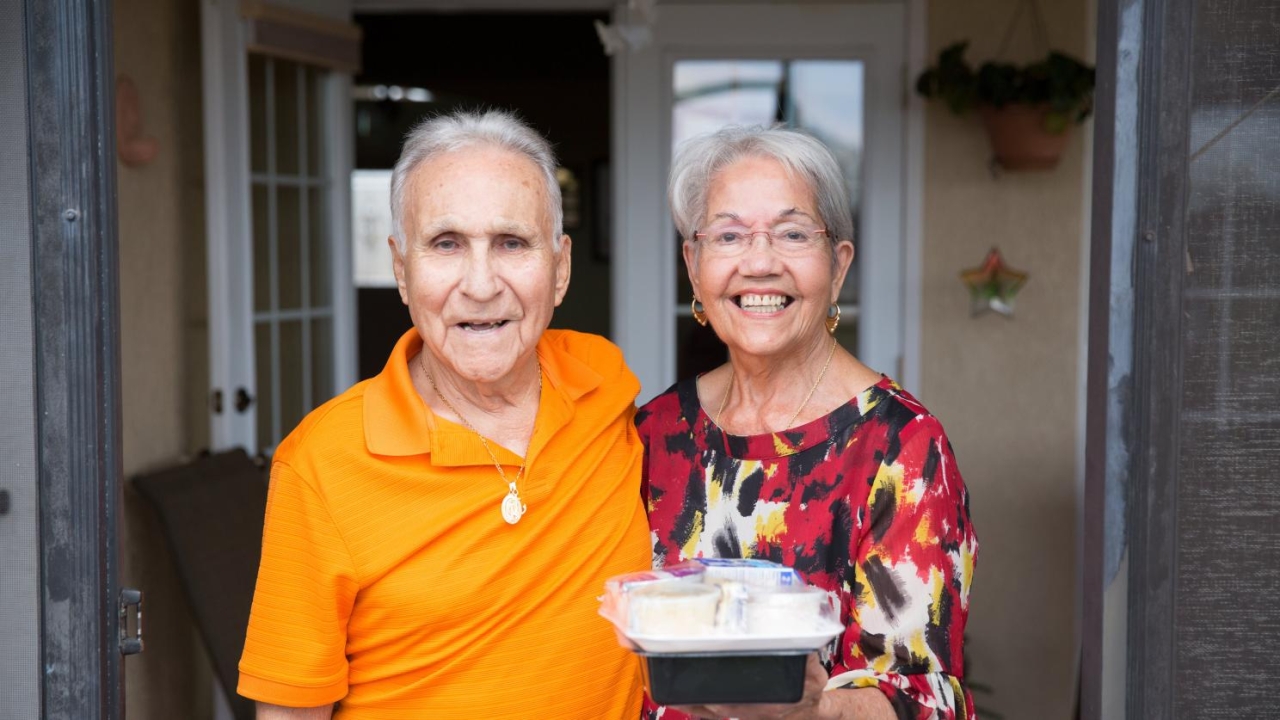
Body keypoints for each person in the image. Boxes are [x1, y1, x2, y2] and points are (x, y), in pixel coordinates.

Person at [238, 110, 651, 719]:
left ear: (559, 269)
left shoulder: (603, 384)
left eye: (512, 243)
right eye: (446, 244)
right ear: (402, 270)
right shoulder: (322, 462)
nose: (481, 284)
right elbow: (289, 711)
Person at [637, 126, 979, 720]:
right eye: (729, 235)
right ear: (694, 267)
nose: (760, 262)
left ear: (837, 266)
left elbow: (925, 699)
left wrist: (812, 710)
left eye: (793, 233)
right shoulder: (653, 432)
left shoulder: (901, 447)